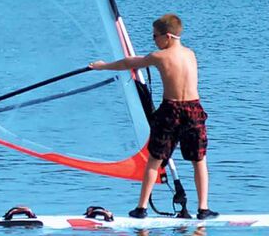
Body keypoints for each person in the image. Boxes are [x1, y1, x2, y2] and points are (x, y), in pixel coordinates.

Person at [89, 13, 218, 220]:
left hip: (171, 111)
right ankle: (203, 209)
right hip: (194, 109)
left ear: (167, 36)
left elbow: (129, 63)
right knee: (199, 159)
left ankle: (141, 208)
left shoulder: (160, 57)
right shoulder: (191, 54)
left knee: (154, 160)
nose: (154, 40)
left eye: (155, 36)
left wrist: (102, 66)